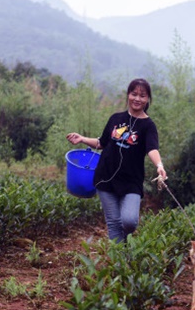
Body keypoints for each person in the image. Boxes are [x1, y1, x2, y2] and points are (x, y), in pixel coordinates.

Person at [66, 78, 167, 242]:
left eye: (142, 95)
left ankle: (125, 244)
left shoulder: (148, 126)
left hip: (131, 182)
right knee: (113, 223)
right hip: (106, 177)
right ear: (128, 95)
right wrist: (82, 139)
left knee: (129, 221)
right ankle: (120, 263)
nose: (137, 99)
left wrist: (159, 165)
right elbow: (102, 142)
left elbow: (152, 148)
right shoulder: (116, 119)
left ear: (148, 99)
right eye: (134, 94)